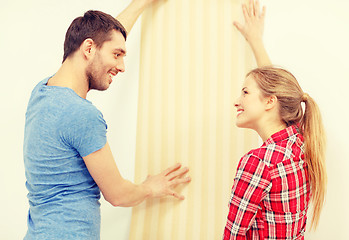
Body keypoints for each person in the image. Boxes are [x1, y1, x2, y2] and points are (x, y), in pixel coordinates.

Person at [23, 0, 191, 239]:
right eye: (117, 55)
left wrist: (141, 3)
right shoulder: (80, 114)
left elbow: (104, 38)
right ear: (88, 48)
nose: (122, 67)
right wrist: (149, 187)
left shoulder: (42, 93)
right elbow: (118, 194)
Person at [223, 0, 327, 239]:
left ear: (270, 102)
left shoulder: (258, 162)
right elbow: (276, 91)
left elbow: (233, 235)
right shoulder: (300, 141)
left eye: (245, 92)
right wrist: (256, 41)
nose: (236, 101)